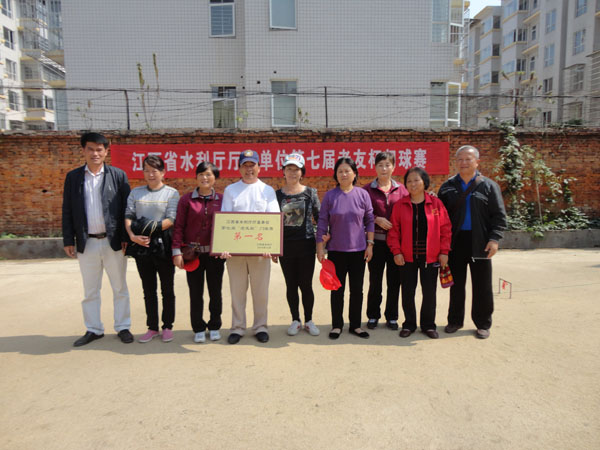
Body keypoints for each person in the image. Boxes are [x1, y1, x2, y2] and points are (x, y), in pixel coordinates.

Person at [62, 132, 133, 347]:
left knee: (119, 287)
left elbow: (127, 209)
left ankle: (123, 326)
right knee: (90, 290)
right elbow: (67, 210)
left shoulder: (117, 175)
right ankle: (94, 329)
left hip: (113, 242)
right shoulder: (73, 177)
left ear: (106, 151)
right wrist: (68, 239)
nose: (95, 153)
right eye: (91, 149)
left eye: (99, 149)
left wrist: (125, 237)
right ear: (83, 150)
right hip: (87, 242)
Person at [438, 145, 507, 339]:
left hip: (481, 242)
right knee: (456, 285)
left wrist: (494, 239)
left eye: (468, 159)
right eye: (460, 159)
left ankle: (483, 324)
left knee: (482, 286)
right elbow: (440, 217)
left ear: (477, 162)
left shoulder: (489, 186)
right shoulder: (448, 187)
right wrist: (442, 245)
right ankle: (455, 321)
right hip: (455, 242)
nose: (463, 163)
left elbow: (499, 216)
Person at [220, 150, 280, 344]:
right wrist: (224, 246)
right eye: (245, 166)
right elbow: (225, 220)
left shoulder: (267, 191)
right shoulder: (231, 190)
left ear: (259, 168)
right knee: (237, 292)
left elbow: (273, 221)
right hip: (235, 253)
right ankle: (237, 327)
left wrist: (271, 246)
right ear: (239, 168)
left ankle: (260, 326)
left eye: (252, 165)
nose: (249, 169)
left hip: (261, 252)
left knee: (260, 292)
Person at [387, 167, 452, 339]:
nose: (412, 184)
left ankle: (428, 325)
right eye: (409, 181)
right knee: (407, 292)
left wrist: (444, 251)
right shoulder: (400, 205)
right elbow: (393, 231)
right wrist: (396, 252)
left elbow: (445, 229)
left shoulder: (436, 204)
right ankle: (409, 324)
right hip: (406, 257)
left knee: (429, 293)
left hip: (431, 257)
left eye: (416, 180)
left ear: (424, 182)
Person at [316, 157, 375, 340]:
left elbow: (370, 220)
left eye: (347, 171)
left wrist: (370, 245)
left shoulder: (362, 195)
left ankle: (355, 325)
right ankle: (337, 325)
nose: (343, 174)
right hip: (336, 251)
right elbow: (322, 222)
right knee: (337, 290)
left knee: (357, 290)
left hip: (358, 250)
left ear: (354, 174)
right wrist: (320, 248)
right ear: (336, 175)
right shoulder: (330, 196)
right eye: (340, 171)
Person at [125, 156, 179, 343]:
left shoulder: (171, 193)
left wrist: (149, 228)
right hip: (142, 246)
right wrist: (133, 236)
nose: (150, 174)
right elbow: (129, 215)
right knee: (148, 290)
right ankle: (152, 327)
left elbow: (171, 219)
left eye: (155, 170)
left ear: (163, 172)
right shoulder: (136, 193)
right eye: (146, 170)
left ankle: (168, 326)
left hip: (163, 246)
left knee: (167, 289)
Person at [172, 161, 225, 344]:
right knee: (195, 293)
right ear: (196, 177)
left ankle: (215, 325)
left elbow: (229, 225)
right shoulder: (186, 200)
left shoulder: (222, 200)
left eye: (209, 174)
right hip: (192, 254)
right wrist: (176, 251)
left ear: (215, 178)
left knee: (215, 292)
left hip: (215, 255)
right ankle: (198, 327)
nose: (204, 178)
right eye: (201, 174)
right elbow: (178, 227)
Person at [276, 153, 321, 337]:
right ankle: (295, 319)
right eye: (289, 169)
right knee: (291, 285)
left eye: (296, 169)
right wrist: (272, 248)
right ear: (283, 171)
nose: (292, 173)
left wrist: (322, 242)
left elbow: (320, 217)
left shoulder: (310, 193)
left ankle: (309, 320)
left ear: (302, 172)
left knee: (306, 284)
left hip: (306, 246)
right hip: (286, 247)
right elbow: (272, 223)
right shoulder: (277, 195)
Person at [363, 151, 408, 331]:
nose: (384, 169)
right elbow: (362, 213)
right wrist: (376, 219)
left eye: (387, 165)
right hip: (375, 243)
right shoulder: (367, 190)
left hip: (396, 244)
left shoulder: (402, 190)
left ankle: (392, 317)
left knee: (394, 281)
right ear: (375, 167)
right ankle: (373, 315)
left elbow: (407, 212)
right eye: (380, 165)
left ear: (393, 167)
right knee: (375, 281)